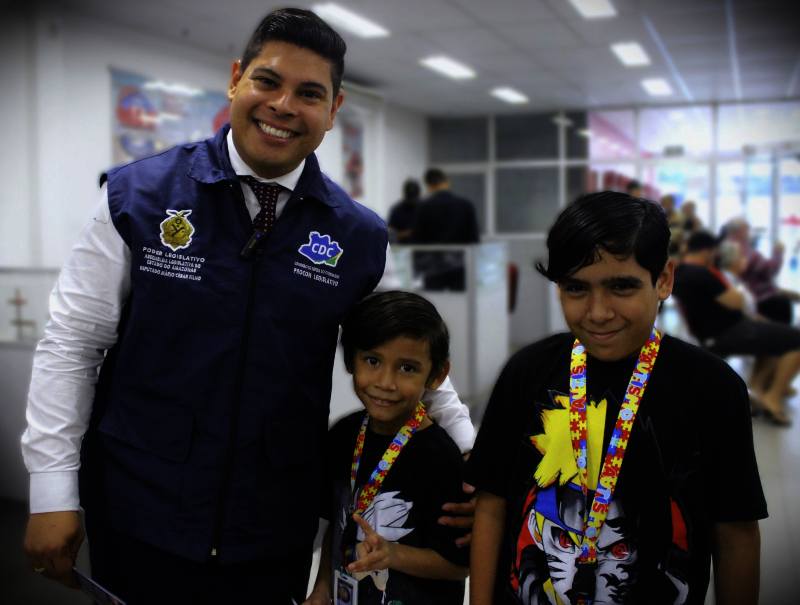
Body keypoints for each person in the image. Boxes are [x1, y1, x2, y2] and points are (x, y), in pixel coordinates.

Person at [21, 9, 475, 605]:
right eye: (269, 81)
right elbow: (72, 344)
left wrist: (469, 451)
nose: (284, 106)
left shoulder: (358, 238)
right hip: (140, 509)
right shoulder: (138, 197)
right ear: (237, 79)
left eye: (310, 93)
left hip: (271, 524)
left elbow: (405, 343)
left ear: (333, 110)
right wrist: (52, 491)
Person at [468, 192, 766, 604]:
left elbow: (735, 533)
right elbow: (492, 506)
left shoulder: (712, 387)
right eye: (576, 288)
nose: (598, 312)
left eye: (621, 286)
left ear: (663, 279)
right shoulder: (527, 372)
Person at [305, 291, 469, 605]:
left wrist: (393, 554)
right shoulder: (343, 435)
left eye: (407, 368)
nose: (386, 382)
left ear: (437, 375)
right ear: (350, 360)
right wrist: (322, 587)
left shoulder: (440, 458)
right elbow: (338, 527)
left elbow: (458, 565)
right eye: (372, 361)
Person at [673, 230, 800, 426]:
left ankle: (757, 390)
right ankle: (773, 397)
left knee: (774, 337)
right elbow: (736, 302)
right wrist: (737, 292)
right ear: (708, 251)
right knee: (795, 339)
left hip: (712, 332)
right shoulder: (702, 273)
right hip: (726, 333)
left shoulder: (681, 271)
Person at [723, 218, 799, 325]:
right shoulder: (743, 250)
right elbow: (770, 270)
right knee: (784, 305)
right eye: (747, 229)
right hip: (761, 301)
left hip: (756, 298)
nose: (749, 233)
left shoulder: (727, 245)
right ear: (740, 231)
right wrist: (778, 253)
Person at [411, 168, 480, 244]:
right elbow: (474, 239)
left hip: (432, 255)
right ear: (447, 182)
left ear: (429, 186)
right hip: (460, 255)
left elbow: (417, 240)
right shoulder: (466, 205)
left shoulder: (423, 208)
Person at [387, 178, 422, 243]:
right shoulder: (397, 210)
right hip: (402, 248)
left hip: (422, 248)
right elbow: (390, 233)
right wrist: (406, 234)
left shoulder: (424, 208)